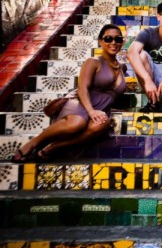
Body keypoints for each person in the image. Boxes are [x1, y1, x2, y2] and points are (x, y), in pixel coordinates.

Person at [12, 24, 127, 162]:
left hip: (101, 108)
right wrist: (91, 112)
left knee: (101, 124)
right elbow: (82, 87)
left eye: (117, 39)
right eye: (108, 39)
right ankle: (34, 142)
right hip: (82, 103)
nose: (113, 42)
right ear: (100, 41)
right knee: (77, 123)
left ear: (122, 41)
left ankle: (55, 146)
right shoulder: (93, 62)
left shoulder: (122, 67)